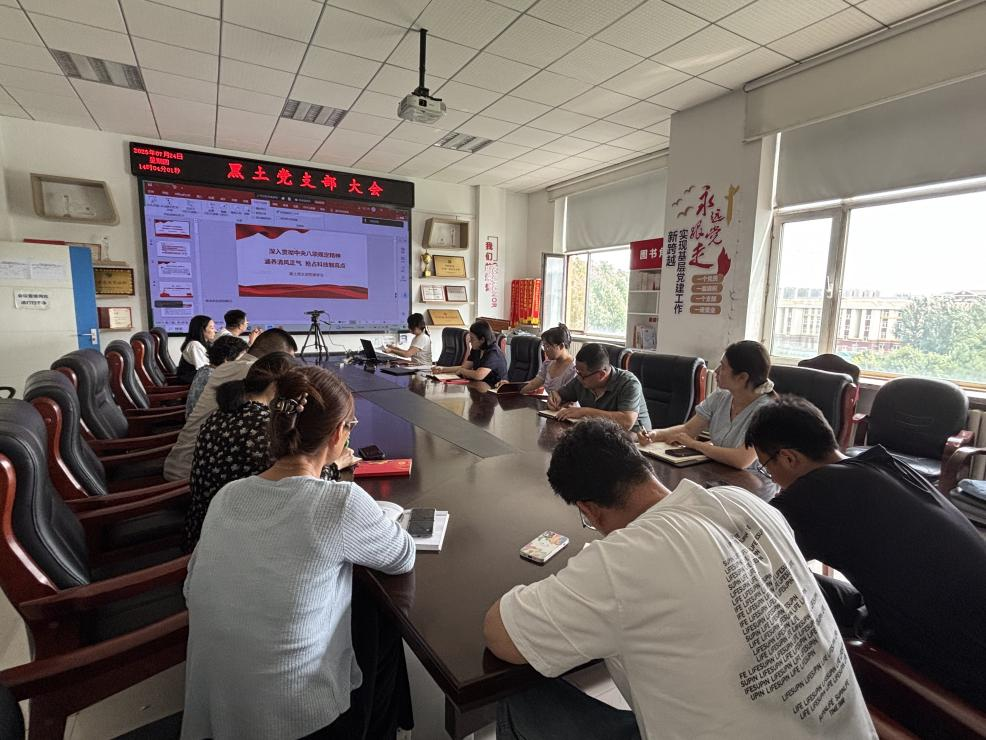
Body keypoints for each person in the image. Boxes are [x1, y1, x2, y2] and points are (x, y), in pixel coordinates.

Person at [483, 419, 876, 740]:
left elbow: (502, 635)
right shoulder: (748, 503)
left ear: (590, 510)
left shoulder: (626, 560)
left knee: (519, 696)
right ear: (642, 466)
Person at [181, 365, 416, 739]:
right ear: (338, 434)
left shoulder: (228, 496)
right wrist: (381, 516)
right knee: (380, 620)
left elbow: (191, 585)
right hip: (296, 721)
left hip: (216, 709)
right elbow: (402, 555)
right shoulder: (339, 503)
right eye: (350, 426)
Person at [746, 395, 986, 710]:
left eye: (766, 468)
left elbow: (744, 551)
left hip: (951, 667)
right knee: (811, 584)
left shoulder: (817, 492)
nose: (771, 478)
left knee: (759, 587)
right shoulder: (883, 463)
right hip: (965, 626)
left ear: (789, 458)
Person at [183, 351, 295, 552]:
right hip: (226, 545)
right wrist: (334, 466)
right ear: (276, 387)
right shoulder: (263, 426)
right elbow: (295, 483)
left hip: (201, 526)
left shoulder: (221, 413)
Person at [164, 328, 298, 481]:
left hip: (186, 462)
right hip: (194, 475)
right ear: (275, 359)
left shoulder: (226, 367)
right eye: (287, 361)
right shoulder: (254, 374)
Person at [639, 339, 774, 469]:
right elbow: (688, 429)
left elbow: (741, 460)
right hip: (718, 469)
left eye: (723, 367)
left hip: (752, 479)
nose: (716, 371)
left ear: (742, 377)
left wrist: (694, 444)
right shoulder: (720, 396)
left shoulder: (767, 411)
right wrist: (655, 434)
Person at [547, 343, 650, 432]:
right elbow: (559, 395)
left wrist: (585, 412)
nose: (578, 377)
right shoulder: (581, 379)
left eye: (582, 374)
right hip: (599, 434)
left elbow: (627, 422)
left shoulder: (629, 383)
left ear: (601, 374)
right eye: (577, 372)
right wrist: (554, 398)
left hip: (635, 440)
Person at [185, 334, 247, 416]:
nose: (243, 363)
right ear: (226, 360)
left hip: (193, 418)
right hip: (205, 422)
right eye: (242, 360)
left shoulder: (205, 369)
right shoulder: (219, 378)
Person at [432, 320, 507, 385]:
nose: (470, 341)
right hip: (480, 387)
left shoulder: (493, 352)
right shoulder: (477, 349)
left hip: (495, 390)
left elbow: (478, 375)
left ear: (482, 339)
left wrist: (463, 371)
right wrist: (443, 369)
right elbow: (464, 367)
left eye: (472, 338)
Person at [516, 324, 576, 395]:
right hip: (550, 401)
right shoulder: (548, 363)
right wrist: (516, 391)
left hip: (564, 402)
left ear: (561, 346)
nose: (545, 350)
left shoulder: (573, 370)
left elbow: (568, 396)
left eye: (548, 346)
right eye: (544, 346)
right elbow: (535, 383)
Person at [176, 315, 216, 384]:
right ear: (202, 330)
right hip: (190, 384)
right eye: (212, 328)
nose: (215, 330)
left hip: (198, 380)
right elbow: (204, 369)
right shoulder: (194, 345)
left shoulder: (205, 344)